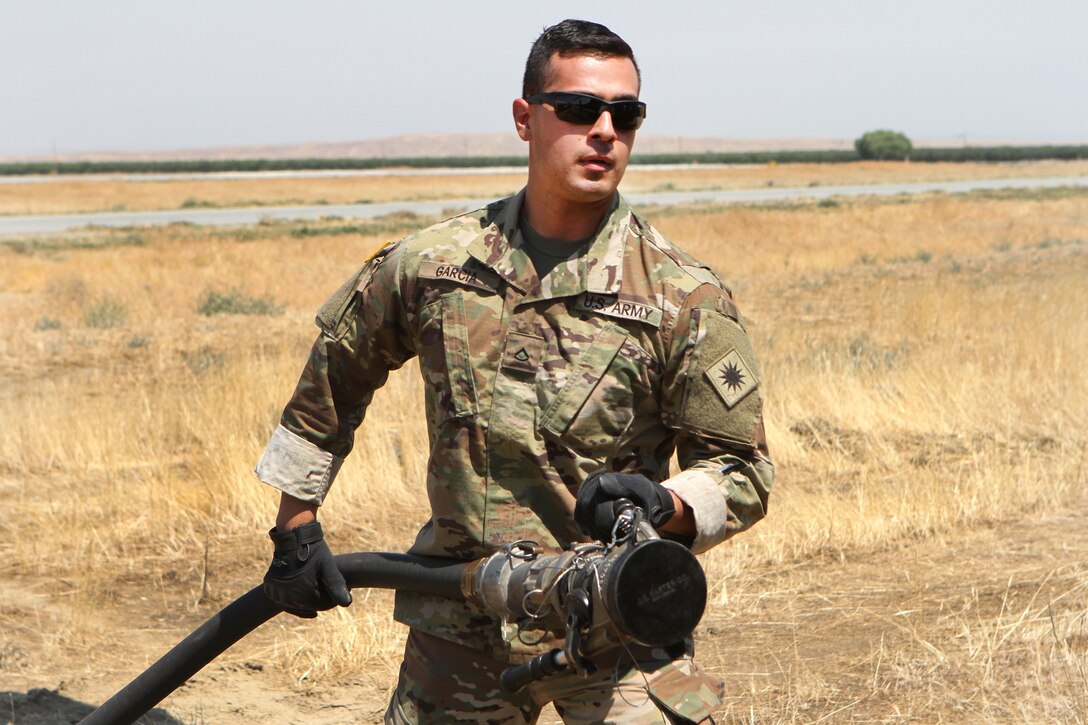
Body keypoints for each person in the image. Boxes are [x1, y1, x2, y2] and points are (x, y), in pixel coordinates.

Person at [255, 18, 773, 724]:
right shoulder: (435, 266)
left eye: (626, 115)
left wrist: (666, 506)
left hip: (616, 622)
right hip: (460, 619)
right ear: (525, 119)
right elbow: (333, 380)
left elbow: (741, 471)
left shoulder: (683, 296)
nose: (604, 131)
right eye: (581, 109)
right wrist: (296, 527)